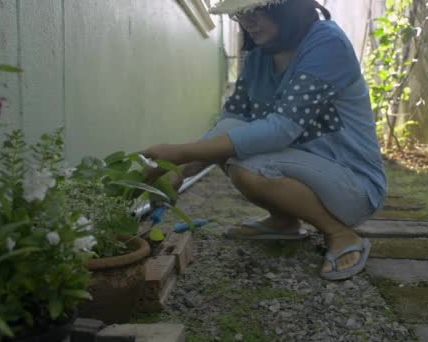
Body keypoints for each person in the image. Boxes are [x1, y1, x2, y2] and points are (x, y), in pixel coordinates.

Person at [141, 0, 386, 280]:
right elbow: (230, 122)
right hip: (309, 173)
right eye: (241, 13)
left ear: (289, 7)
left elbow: (282, 129)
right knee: (232, 132)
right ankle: (283, 222)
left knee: (251, 166)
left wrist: (180, 153)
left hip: (353, 185)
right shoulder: (259, 56)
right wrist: (178, 173)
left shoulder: (327, 44)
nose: (247, 21)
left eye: (256, 10)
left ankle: (341, 233)